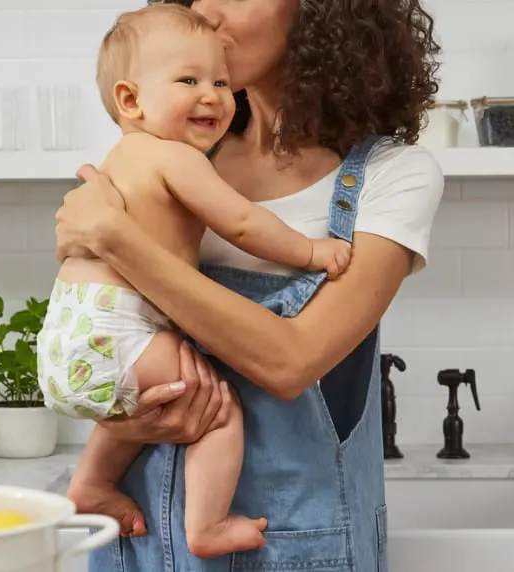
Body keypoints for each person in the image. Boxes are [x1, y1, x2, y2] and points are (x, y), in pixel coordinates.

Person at [56, 0, 444, 570]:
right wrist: (127, 414)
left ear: (322, 13)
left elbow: (290, 362)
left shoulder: (394, 176)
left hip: (286, 549)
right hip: (138, 539)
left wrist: (119, 239)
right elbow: (109, 323)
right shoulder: (177, 152)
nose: (207, 11)